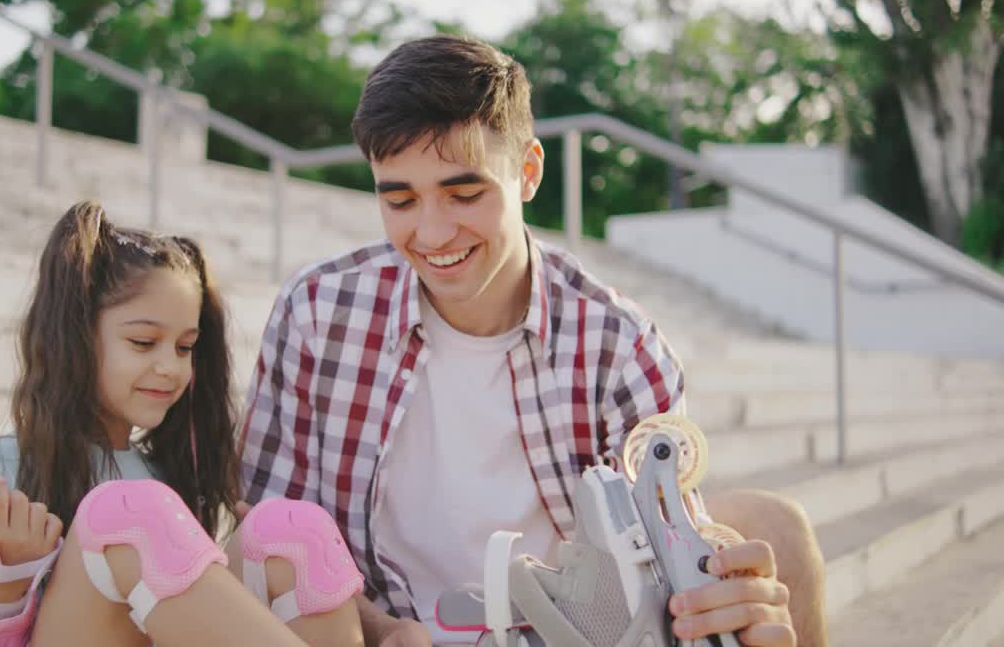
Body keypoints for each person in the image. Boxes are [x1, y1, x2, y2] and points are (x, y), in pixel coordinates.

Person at [237, 35, 827, 647]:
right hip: (379, 628)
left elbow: (663, 550)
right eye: (401, 199)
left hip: (567, 634)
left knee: (779, 532)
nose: (433, 233)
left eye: (465, 194)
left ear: (528, 172)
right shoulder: (317, 313)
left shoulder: (617, 347)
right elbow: (270, 531)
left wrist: (718, 607)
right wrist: (385, 632)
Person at [0, 201, 365, 647]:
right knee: (128, 513)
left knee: (291, 530)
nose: (170, 366)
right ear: (76, 337)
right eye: (143, 342)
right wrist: (2, 586)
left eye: (185, 347)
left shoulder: (164, 476)